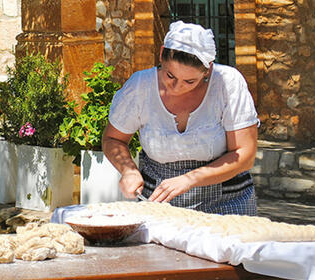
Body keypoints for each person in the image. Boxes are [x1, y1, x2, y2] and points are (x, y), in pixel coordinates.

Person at [102, 21, 259, 215]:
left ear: (208, 69)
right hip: (159, 203)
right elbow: (113, 139)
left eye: (189, 81)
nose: (176, 87)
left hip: (228, 200)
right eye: (170, 75)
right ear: (161, 54)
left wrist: (190, 179)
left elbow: (245, 155)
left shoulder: (228, 83)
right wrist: (128, 170)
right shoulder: (140, 86)